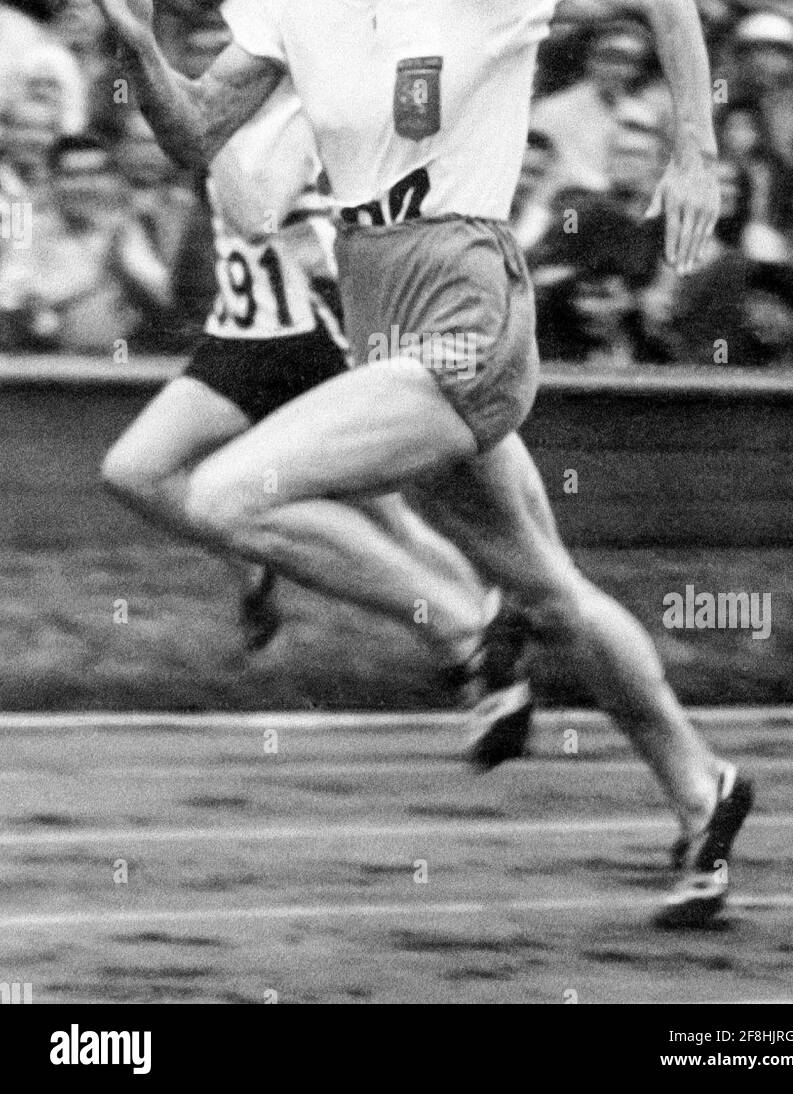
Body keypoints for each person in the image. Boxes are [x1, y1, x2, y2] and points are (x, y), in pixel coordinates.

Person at [71, 0, 753, 928]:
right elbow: (195, 137)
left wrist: (693, 150)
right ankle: (702, 787)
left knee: (234, 490)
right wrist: (137, 48)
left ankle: (466, 628)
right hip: (377, 304)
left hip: (468, 295)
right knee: (551, 587)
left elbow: (668, 3)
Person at [100, 82, 520, 758]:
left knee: (385, 517)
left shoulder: (308, 109)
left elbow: (270, 220)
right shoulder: (240, 105)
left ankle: (478, 645)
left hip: (307, 341)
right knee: (133, 471)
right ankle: (467, 632)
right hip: (240, 335)